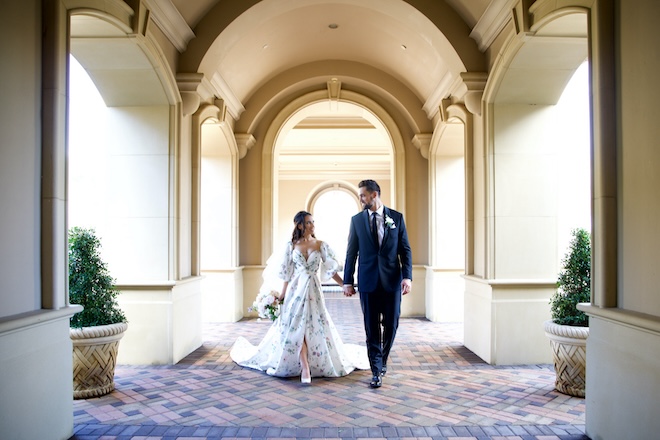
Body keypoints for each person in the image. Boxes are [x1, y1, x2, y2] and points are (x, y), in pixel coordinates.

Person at [230, 210, 369, 383]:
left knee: (311, 326)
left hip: (313, 291)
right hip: (295, 291)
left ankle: (309, 365)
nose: (313, 225)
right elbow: (287, 273)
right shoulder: (291, 246)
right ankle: (305, 367)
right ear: (300, 225)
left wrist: (345, 285)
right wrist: (282, 295)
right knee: (296, 327)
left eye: (313, 222)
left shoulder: (320, 245)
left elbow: (331, 270)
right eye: (309, 222)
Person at [343, 179, 412, 388]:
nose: (360, 198)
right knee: (371, 328)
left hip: (392, 282)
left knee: (391, 325)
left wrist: (407, 277)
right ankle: (376, 370)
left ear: (374, 195)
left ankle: (382, 358)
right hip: (368, 282)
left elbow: (405, 250)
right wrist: (348, 281)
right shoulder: (356, 221)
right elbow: (351, 252)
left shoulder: (396, 218)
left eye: (363, 195)